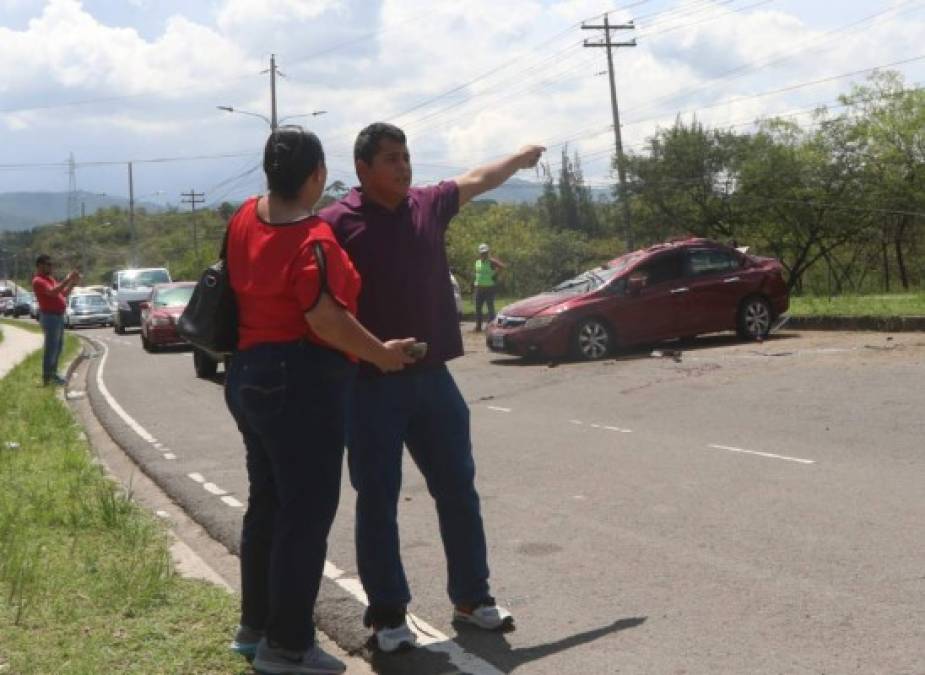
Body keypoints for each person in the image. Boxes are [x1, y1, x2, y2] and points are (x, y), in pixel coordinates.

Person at [320, 122, 544, 652]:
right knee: (377, 499)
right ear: (363, 169)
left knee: (457, 489)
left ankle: (472, 599)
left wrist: (517, 157)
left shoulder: (428, 205)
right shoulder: (335, 224)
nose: (403, 166)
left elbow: (477, 178)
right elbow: (321, 308)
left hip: (433, 381)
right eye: (391, 159)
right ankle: (390, 616)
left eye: (406, 156)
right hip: (369, 384)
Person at [223, 126, 417, 674]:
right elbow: (325, 318)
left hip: (246, 375)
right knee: (305, 515)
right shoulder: (314, 239)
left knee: (268, 505)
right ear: (317, 175)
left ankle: (254, 626)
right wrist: (381, 353)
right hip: (300, 382)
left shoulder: (243, 216)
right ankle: (286, 645)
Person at [31, 254, 79, 386]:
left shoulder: (50, 279)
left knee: (58, 347)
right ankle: (47, 377)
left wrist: (72, 284)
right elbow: (52, 292)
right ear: (40, 265)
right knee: (51, 348)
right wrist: (67, 279)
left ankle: (53, 374)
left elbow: (62, 293)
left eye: (51, 264)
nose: (51, 267)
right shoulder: (38, 281)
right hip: (49, 316)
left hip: (58, 316)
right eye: (48, 264)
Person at [473, 242, 505, 332]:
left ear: (488, 252)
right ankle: (478, 327)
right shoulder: (477, 262)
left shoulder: (491, 261)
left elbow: (502, 267)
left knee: (490, 308)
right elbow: (478, 274)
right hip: (479, 288)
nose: (484, 254)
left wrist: (495, 275)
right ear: (479, 253)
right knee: (478, 308)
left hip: (489, 288)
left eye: (485, 252)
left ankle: (491, 326)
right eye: (482, 252)